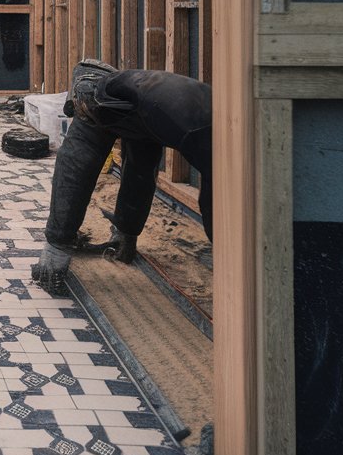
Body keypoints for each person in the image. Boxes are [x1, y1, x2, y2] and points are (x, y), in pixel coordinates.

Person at [32, 59, 212, 295]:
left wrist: (128, 231)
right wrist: (57, 242)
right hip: (122, 97)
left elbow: (139, 174)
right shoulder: (201, 129)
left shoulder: (204, 132)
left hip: (145, 105)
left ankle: (121, 237)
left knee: (137, 165)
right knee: (84, 157)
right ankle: (64, 246)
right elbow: (76, 169)